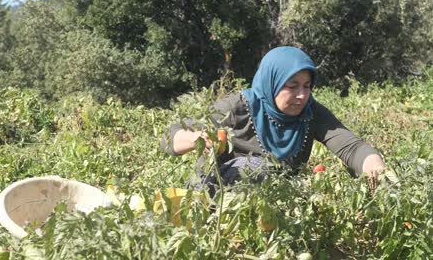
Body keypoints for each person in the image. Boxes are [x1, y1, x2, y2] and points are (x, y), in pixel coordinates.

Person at [161, 46, 385, 195]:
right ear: (272, 82)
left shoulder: (311, 112)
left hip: (273, 204)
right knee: (257, 168)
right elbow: (169, 136)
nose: (301, 95)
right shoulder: (237, 107)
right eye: (292, 86)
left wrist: (377, 170)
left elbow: (352, 148)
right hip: (214, 200)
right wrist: (196, 138)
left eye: (307, 86)